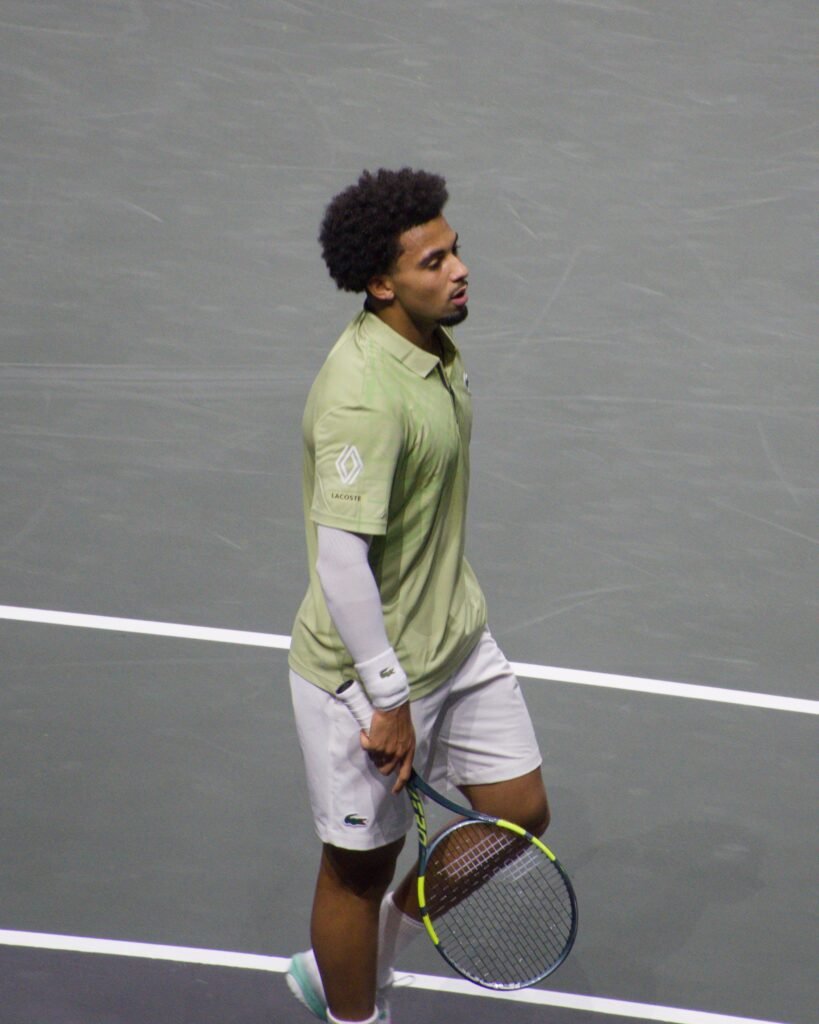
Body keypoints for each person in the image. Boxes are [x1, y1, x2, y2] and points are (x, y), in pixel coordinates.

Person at [286, 168, 550, 1024]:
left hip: (455, 639)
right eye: (433, 262)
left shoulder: (430, 346)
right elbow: (340, 562)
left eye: (454, 250)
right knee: (356, 873)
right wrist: (389, 695)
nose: (459, 270)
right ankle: (353, 1011)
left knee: (518, 815)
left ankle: (367, 957)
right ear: (381, 283)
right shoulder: (363, 397)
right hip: (366, 679)